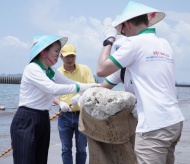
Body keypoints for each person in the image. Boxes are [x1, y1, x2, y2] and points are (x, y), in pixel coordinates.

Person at [96, 1, 184, 164]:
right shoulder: (164, 44)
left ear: (127, 24)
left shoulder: (134, 43)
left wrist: (109, 39)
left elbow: (101, 69)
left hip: (154, 126)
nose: (122, 33)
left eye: (121, 29)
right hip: (174, 122)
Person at [10, 35, 100, 164]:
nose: (58, 55)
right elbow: (52, 88)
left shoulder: (50, 70)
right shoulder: (32, 68)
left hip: (43, 118)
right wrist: (79, 89)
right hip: (27, 118)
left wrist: (89, 87)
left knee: (41, 159)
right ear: (43, 51)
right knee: (25, 160)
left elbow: (68, 82)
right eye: (56, 51)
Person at [53, 44, 95, 164]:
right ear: (61, 57)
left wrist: (80, 95)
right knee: (66, 149)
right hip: (64, 115)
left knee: (81, 149)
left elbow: (91, 88)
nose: (70, 59)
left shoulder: (85, 69)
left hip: (82, 115)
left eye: (72, 56)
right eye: (67, 56)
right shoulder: (57, 72)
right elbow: (49, 94)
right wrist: (60, 102)